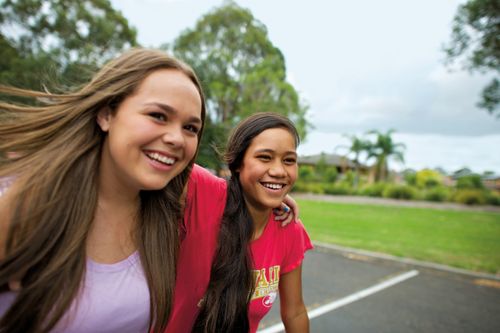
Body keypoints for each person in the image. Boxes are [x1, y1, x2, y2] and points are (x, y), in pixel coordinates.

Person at [0, 48, 207, 333]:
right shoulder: (23, 204)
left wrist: (273, 196)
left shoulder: (166, 210)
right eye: (158, 115)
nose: (175, 138)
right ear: (106, 114)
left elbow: (239, 191)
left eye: (191, 128)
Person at [166, 113, 312, 333]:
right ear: (237, 164)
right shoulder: (205, 193)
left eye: (289, 160)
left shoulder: (288, 228)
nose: (279, 171)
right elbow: (163, 156)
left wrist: (268, 190)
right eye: (264, 157)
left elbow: (295, 312)